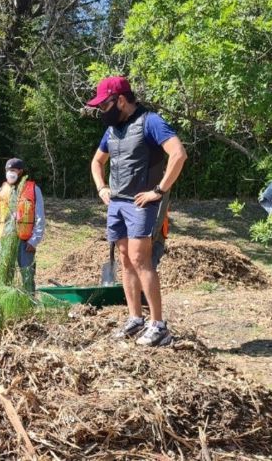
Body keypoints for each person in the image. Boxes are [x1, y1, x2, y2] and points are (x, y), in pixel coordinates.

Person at [87, 76, 187, 347]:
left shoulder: (150, 121)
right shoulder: (113, 130)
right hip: (117, 203)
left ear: (120, 100)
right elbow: (97, 162)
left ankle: (159, 325)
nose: (101, 112)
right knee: (125, 260)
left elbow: (178, 154)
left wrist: (159, 190)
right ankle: (135, 319)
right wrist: (101, 188)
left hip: (142, 203)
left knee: (140, 259)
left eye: (104, 105)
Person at [0, 158, 46, 295]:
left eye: (13, 170)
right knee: (5, 276)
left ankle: (29, 303)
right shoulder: (1, 191)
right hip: (5, 240)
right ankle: (5, 303)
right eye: (8, 171)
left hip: (26, 242)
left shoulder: (33, 190)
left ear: (21, 172)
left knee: (27, 275)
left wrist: (34, 240)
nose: (10, 173)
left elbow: (40, 217)